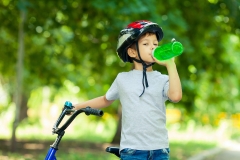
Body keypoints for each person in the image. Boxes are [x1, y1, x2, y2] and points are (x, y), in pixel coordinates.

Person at [73, 20, 182, 160]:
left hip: (159, 149)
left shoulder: (162, 79)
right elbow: (105, 99)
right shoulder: (122, 79)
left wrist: (170, 64)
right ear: (132, 51)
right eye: (146, 44)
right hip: (133, 150)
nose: (153, 48)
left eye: (155, 44)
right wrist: (77, 107)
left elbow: (176, 96)